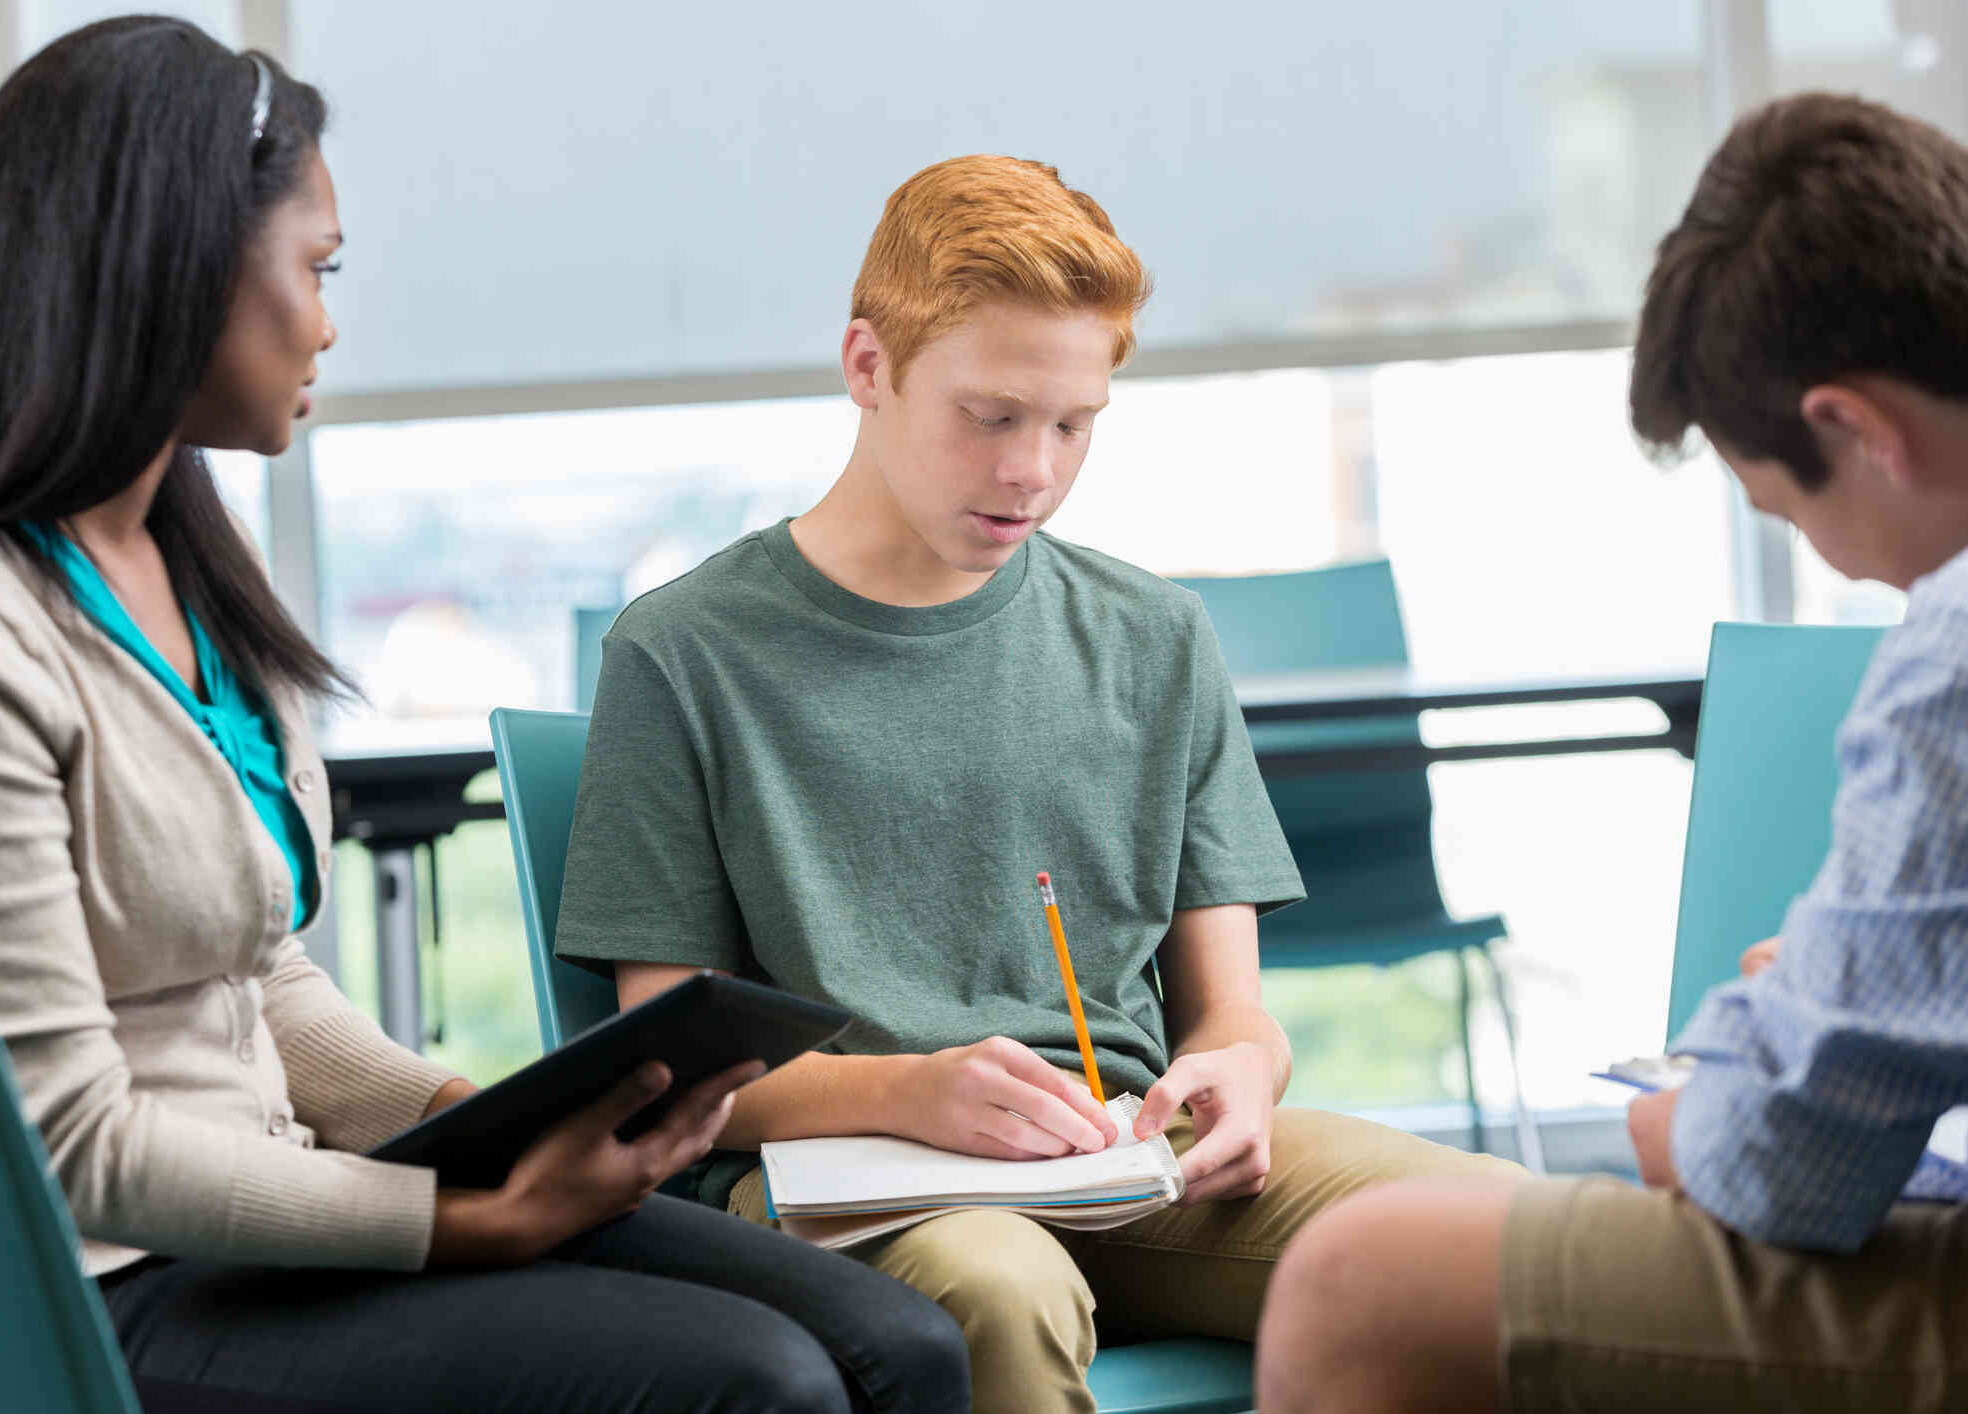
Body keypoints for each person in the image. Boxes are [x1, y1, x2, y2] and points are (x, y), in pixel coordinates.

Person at [0, 18, 967, 1414]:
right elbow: (71, 1141)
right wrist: (459, 1218)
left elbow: (250, 974)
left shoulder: (174, 571)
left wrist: (466, 1121)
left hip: (281, 1220)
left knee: (905, 1345)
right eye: (314, 271)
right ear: (177, 267)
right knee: (761, 1387)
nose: (330, 320)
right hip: (114, 1288)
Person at [552, 152, 1517, 1414]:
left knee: (1523, 1247)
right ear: (867, 367)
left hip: (1136, 1157)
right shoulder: (684, 653)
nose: (1033, 472)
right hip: (865, 1182)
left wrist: (1242, 1070)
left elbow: (1230, 1015)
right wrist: (912, 1087)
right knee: (1002, 1290)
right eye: (992, 416)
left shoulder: (1154, 634)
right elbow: (667, 1065)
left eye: (1074, 425)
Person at [1254, 92, 1968, 1413]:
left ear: (1858, 428)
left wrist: (1682, 1118)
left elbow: (1788, 1173)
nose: (1829, 558)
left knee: (1358, 1280)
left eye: (1790, 506)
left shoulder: (1952, 649)